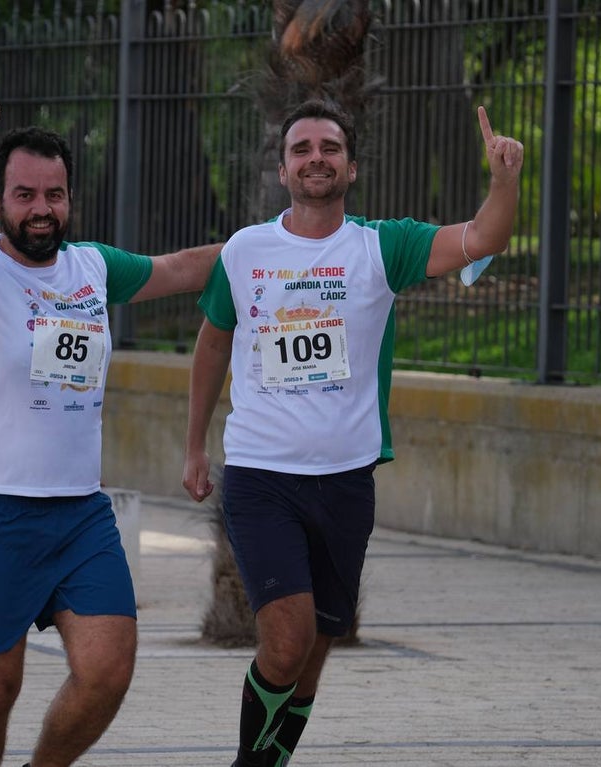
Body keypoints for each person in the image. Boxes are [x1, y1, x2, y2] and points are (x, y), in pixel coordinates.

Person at [181, 99, 524, 766]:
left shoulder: (381, 246)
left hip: (345, 482)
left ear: (351, 166)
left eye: (329, 147)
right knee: (286, 638)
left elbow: (483, 240)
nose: (316, 157)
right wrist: (194, 446)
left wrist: (503, 180)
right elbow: (213, 345)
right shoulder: (246, 251)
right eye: (303, 148)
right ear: (282, 169)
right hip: (262, 477)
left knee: (313, 652)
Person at [0, 98, 223, 767]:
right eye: (24, 194)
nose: (40, 207)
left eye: (54, 194)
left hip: (78, 512)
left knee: (108, 669)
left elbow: (187, 266)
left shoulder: (93, 268)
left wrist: (287, 244)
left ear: (69, 198)